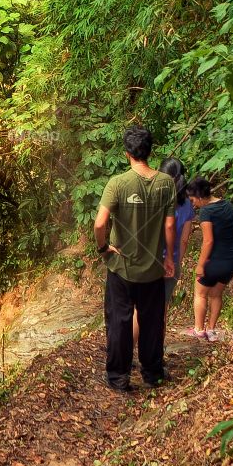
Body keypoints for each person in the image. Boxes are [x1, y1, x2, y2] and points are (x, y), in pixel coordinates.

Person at [94, 126, 177, 391]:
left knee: (119, 320)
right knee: (152, 322)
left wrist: (103, 248)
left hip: (122, 268)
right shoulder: (166, 183)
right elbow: (169, 226)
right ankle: (153, 373)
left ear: (126, 153)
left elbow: (99, 224)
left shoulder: (117, 184)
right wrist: (168, 258)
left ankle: (119, 378)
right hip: (152, 267)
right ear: (149, 152)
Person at [133, 158, 193, 353]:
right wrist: (177, 262)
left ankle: (128, 354)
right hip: (171, 264)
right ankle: (155, 355)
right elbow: (184, 240)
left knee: (139, 309)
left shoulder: (153, 199)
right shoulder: (187, 206)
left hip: (150, 260)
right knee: (161, 311)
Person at [186, 176, 233, 341]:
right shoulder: (227, 204)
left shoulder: (206, 211)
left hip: (215, 260)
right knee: (216, 294)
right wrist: (231, 247)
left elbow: (208, 241)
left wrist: (200, 265)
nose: (193, 204)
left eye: (193, 200)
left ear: (200, 196)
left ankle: (198, 329)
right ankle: (211, 330)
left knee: (200, 293)